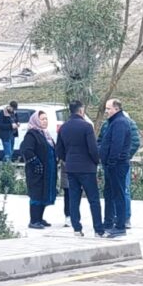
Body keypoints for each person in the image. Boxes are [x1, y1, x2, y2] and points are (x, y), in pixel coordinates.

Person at [56, 100, 104, 237]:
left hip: (71, 168)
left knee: (74, 198)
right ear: (81, 110)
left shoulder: (63, 127)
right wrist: (96, 161)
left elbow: (59, 149)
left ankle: (77, 228)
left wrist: (67, 159)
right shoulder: (87, 127)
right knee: (93, 200)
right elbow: (93, 149)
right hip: (87, 168)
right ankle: (98, 230)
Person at [99, 99, 132, 238]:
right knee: (109, 194)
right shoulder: (114, 122)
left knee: (118, 195)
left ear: (116, 109)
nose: (106, 111)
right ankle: (108, 222)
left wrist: (111, 163)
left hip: (117, 165)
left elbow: (116, 146)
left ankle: (120, 226)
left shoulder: (120, 123)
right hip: (111, 165)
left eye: (108, 108)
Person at [21, 110, 58, 229]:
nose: (45, 121)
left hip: (47, 171)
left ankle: (40, 218)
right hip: (36, 172)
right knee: (36, 195)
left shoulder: (45, 134)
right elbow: (26, 150)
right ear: (36, 121)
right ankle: (33, 220)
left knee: (44, 193)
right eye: (42, 119)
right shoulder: (32, 134)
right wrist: (36, 163)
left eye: (46, 119)